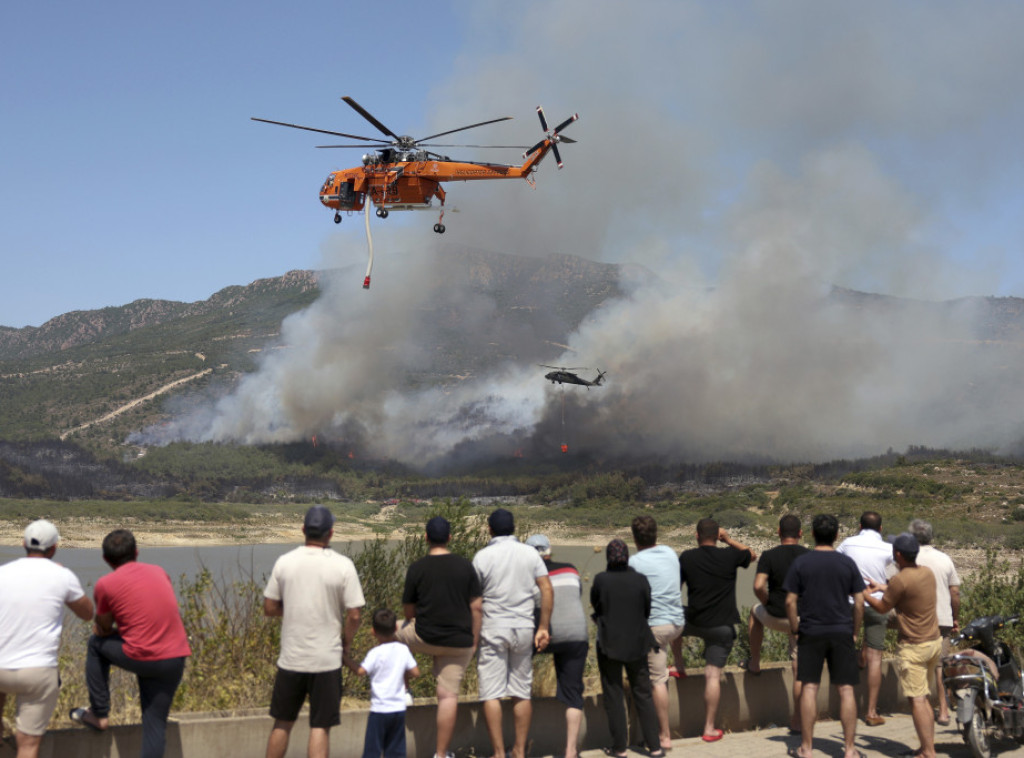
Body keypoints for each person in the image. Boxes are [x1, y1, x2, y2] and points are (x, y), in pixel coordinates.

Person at [70, 529, 192, 758]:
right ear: (136, 552)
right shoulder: (159, 571)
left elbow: (103, 628)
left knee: (95, 644)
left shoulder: (106, 584)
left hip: (142, 655)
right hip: (175, 656)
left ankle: (99, 713)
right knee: (154, 724)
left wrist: (110, 628)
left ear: (106, 559)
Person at [263, 505, 365, 758]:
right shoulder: (343, 565)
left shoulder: (285, 562)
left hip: (291, 658)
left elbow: (269, 607)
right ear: (330, 533)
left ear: (303, 530)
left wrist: (295, 609)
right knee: (320, 726)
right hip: (327, 660)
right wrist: (346, 643)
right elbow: (354, 615)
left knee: (282, 722)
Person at [0, 520, 93, 758]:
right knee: (28, 746)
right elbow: (87, 613)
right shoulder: (62, 576)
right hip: (38, 671)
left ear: (23, 544)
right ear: (54, 548)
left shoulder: (3, 572)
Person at [397, 516, 482, 758]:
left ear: (426, 538)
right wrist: (474, 641)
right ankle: (441, 754)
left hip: (423, 636)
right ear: (449, 538)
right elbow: (477, 607)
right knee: (447, 696)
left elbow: (408, 611)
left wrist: (417, 622)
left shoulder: (417, 568)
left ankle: (405, 689)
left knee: (391, 630)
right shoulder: (466, 566)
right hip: (459, 643)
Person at [472, 508, 552, 758]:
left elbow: (475, 602)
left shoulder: (482, 557)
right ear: (514, 528)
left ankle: (498, 753)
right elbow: (546, 588)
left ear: (490, 529)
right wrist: (543, 627)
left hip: (493, 628)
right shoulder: (530, 554)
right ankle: (519, 750)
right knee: (521, 692)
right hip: (524, 628)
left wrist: (473, 635)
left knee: (491, 693)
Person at [783, 514, 865, 758]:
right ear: (836, 535)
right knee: (846, 690)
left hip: (811, 631)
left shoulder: (801, 563)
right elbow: (859, 602)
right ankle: (849, 750)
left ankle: (806, 748)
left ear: (811, 534)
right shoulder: (847, 563)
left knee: (809, 687)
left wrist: (795, 628)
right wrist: (854, 631)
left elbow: (789, 601)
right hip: (841, 631)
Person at [677, 517, 755, 742]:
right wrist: (729, 540)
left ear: (696, 535)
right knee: (712, 675)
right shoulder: (730, 555)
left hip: (694, 620)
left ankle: (679, 665)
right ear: (717, 536)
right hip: (722, 626)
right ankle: (709, 728)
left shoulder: (687, 557)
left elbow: (675, 589)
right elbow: (751, 554)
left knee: (673, 617)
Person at [863, 533, 941, 758]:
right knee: (924, 698)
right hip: (933, 642)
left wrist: (864, 594)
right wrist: (882, 586)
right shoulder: (926, 573)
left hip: (914, 647)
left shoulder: (900, 580)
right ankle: (927, 747)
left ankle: (928, 752)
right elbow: (906, 590)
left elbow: (882, 608)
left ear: (897, 554)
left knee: (917, 700)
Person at [590, 539, 663, 758]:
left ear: (608, 558)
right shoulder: (640, 580)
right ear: (627, 557)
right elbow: (647, 610)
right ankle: (655, 747)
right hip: (637, 644)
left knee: (613, 696)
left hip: (609, 645)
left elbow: (597, 606)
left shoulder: (601, 579)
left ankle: (620, 748)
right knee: (643, 694)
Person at [526, 534, 589, 758]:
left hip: (541, 633)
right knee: (573, 693)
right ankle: (571, 751)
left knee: (518, 684)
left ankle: (518, 747)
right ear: (550, 551)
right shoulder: (571, 569)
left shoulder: (529, 576)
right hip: (576, 633)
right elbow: (576, 595)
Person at [743, 514, 808, 732]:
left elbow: (758, 586)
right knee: (799, 671)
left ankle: (755, 662)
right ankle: (797, 721)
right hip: (801, 619)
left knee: (754, 612)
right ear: (800, 533)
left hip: (776, 616)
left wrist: (768, 602)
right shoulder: (808, 555)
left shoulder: (769, 555)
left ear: (779, 532)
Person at [627, 515, 684, 751]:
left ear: (634, 538)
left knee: (658, 681)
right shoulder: (670, 553)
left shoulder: (634, 562)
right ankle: (679, 663)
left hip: (656, 628)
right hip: (677, 624)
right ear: (656, 534)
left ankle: (664, 736)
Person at [836, 511, 893, 726]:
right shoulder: (888, 548)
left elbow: (836, 563)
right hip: (877, 603)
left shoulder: (848, 544)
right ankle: (871, 712)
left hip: (850, 602)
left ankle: (845, 705)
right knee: (875, 658)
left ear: (860, 526)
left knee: (844, 648)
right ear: (881, 528)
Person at [908, 518, 961, 727]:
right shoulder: (944, 559)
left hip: (916, 620)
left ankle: (922, 709)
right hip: (942, 619)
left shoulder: (908, 558)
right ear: (931, 537)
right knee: (940, 666)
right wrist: (955, 617)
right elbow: (954, 592)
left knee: (917, 665)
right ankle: (944, 711)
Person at [346, 609, 420, 758]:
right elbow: (415, 672)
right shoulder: (403, 650)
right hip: (398, 709)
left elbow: (361, 671)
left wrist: (345, 659)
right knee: (396, 751)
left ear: (373, 632)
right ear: (396, 628)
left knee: (373, 750)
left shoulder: (375, 653)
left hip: (379, 709)